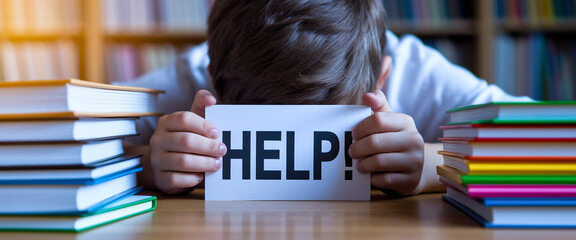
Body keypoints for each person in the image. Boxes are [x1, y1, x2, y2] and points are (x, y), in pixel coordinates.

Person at [121, 0, 531, 196]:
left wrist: (434, 164)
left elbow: (558, 145)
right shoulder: (191, 81)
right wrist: (148, 165)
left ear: (383, 80)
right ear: (212, 85)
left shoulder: (418, 74)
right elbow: (65, 149)